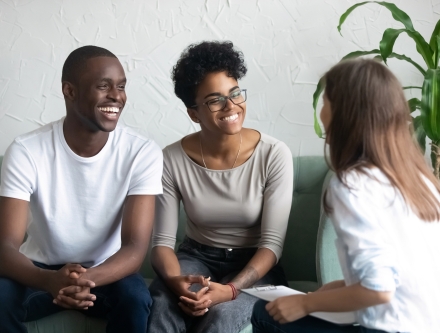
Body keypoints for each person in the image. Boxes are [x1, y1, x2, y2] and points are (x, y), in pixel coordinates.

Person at [251, 59, 440, 333]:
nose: (321, 111)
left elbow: (378, 289)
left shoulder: (354, 184)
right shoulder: (419, 178)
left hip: (391, 327)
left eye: (325, 101)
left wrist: (305, 305)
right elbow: (400, 273)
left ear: (344, 112)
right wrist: (331, 292)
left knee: (264, 313)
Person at [0, 45, 163, 333]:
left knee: (136, 299)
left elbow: (136, 248)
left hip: (109, 270)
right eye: (104, 86)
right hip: (39, 270)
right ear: (70, 91)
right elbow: (5, 247)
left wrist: (82, 281)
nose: (117, 96)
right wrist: (50, 280)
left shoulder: (142, 151)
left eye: (121, 86)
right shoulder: (26, 150)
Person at [147, 41, 293, 333]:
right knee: (163, 302)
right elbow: (162, 243)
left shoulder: (273, 154)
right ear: (194, 113)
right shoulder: (171, 158)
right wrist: (177, 282)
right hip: (196, 257)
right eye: (215, 100)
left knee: (222, 317)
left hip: (255, 265)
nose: (231, 106)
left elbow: (272, 245)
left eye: (235, 93)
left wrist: (231, 290)